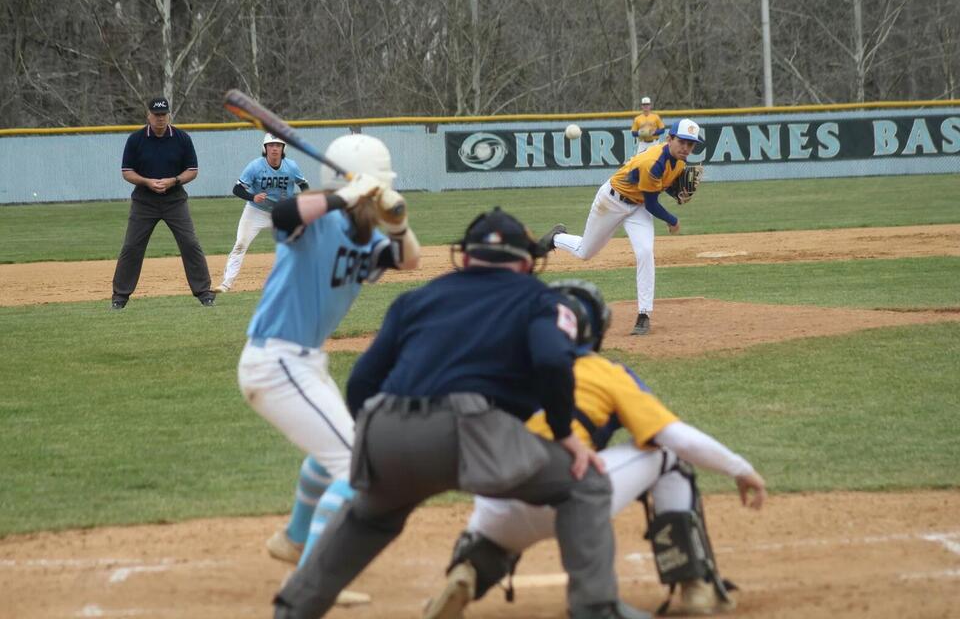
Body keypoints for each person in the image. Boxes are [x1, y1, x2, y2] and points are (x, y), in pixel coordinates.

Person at [273, 208, 650, 619]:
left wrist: (376, 441)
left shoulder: (416, 299)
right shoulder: (538, 298)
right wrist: (564, 434)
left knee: (369, 518)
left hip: (387, 426)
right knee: (585, 483)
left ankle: (292, 609)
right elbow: (552, 362)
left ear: (466, 257)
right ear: (526, 261)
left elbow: (362, 381)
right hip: (471, 429)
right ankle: (596, 608)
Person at [423, 280, 766, 619]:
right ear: (594, 331)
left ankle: (469, 567)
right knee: (669, 457)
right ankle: (695, 584)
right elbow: (676, 437)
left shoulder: (509, 367)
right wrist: (739, 467)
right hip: (567, 497)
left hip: (493, 506)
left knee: (502, 511)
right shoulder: (605, 372)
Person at [236, 134, 421, 604]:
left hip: (304, 363)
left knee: (333, 449)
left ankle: (294, 539)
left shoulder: (369, 235)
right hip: (276, 362)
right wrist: (346, 195)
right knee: (355, 464)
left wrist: (398, 225)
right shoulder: (314, 222)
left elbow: (408, 260)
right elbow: (282, 215)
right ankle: (312, 579)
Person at [549, 118, 704, 336]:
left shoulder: (678, 162)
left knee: (645, 251)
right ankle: (555, 238)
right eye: (682, 142)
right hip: (611, 201)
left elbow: (659, 188)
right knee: (585, 252)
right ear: (670, 139)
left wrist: (676, 194)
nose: (686, 148)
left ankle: (644, 315)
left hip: (637, 207)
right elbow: (652, 204)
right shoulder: (653, 162)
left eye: (691, 144)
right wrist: (672, 219)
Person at [111, 96, 215, 309]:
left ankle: (204, 293)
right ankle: (119, 297)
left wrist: (174, 180)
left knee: (190, 243)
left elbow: (192, 170)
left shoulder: (182, 138)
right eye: (156, 115)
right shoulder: (136, 139)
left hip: (174, 199)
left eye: (163, 115)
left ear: (169, 115)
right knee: (132, 246)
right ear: (148, 115)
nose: (160, 119)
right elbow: (127, 172)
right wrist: (147, 182)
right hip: (144, 201)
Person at [215, 133, 309, 293]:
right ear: (265, 148)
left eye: (278, 145)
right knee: (240, 244)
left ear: (283, 148)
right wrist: (253, 196)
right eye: (271, 145)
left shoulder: (291, 166)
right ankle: (226, 283)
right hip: (256, 211)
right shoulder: (255, 166)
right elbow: (237, 189)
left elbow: (304, 185)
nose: (274, 149)